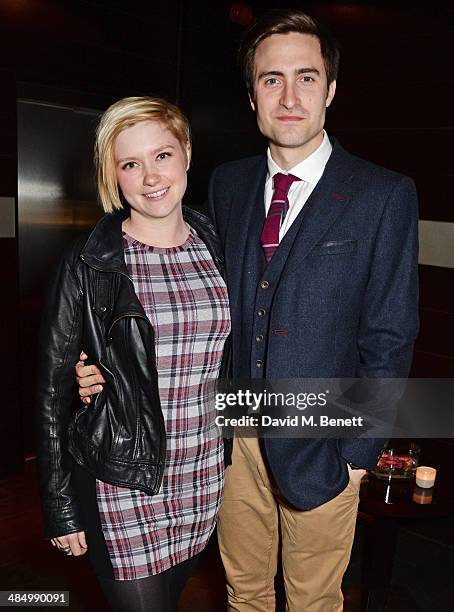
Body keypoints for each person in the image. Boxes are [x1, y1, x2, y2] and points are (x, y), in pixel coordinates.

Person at [77, 8, 419, 611]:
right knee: (245, 594)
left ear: (331, 89)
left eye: (306, 77)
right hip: (229, 442)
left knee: (314, 600)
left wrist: (358, 454)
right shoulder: (228, 184)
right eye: (271, 79)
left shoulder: (383, 194)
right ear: (252, 95)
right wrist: (106, 359)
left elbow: (390, 334)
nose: (289, 96)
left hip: (324, 443)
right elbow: (187, 294)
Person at [35, 96, 231, 612]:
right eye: (130, 164)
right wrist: (61, 508)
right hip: (122, 480)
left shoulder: (220, 242)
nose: (150, 177)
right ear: (112, 175)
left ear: (186, 152)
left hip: (203, 475)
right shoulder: (87, 262)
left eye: (162, 155)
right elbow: (52, 391)